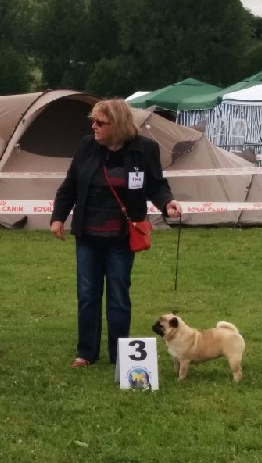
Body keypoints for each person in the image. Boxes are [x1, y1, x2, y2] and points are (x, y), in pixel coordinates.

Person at [50, 98, 182, 368]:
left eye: (100, 123)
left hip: (121, 238)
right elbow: (70, 185)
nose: (93, 127)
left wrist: (167, 202)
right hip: (87, 236)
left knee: (119, 297)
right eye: (93, 122)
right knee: (87, 295)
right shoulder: (87, 146)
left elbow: (156, 185)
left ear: (118, 124)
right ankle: (86, 353)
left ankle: (120, 355)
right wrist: (58, 217)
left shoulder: (144, 149)